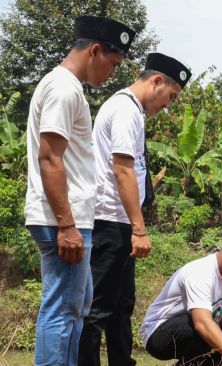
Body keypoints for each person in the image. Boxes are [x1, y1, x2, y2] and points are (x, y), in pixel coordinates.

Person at [23, 15, 134, 366]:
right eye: (114, 64)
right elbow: (50, 158)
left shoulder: (68, 88)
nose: (113, 73)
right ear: (95, 50)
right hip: (62, 221)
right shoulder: (63, 88)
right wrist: (67, 225)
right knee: (62, 309)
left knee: (75, 307)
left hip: (70, 219)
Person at [78, 53, 191, 366]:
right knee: (98, 308)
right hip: (110, 221)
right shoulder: (126, 110)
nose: (167, 105)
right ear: (156, 81)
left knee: (121, 305)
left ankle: (121, 361)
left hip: (120, 222)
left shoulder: (132, 111)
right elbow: (123, 170)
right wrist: (138, 229)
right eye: (170, 96)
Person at [140, 228, 222, 366]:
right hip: (158, 333)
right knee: (205, 332)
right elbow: (202, 324)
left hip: (195, 328)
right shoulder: (201, 272)